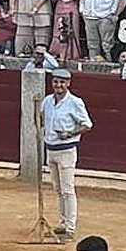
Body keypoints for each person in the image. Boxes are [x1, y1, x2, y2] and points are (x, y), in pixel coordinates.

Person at [41, 68, 92, 240]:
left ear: (68, 84)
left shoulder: (75, 102)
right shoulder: (47, 101)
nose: (58, 85)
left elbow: (87, 125)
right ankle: (63, 223)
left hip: (67, 150)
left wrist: (69, 133)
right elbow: (41, 118)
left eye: (62, 82)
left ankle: (70, 227)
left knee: (68, 189)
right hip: (51, 149)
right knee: (58, 189)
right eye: (56, 81)